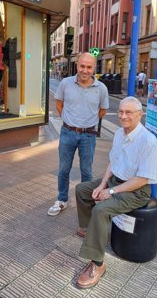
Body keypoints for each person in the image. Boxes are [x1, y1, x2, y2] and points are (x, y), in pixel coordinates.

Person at [75, 96, 157, 289]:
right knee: (82, 190)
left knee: (101, 210)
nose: (123, 116)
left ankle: (97, 264)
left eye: (129, 112)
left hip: (136, 190)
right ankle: (90, 230)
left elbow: (142, 179)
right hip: (116, 181)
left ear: (140, 114)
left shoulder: (149, 142)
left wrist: (111, 191)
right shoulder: (119, 134)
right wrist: (102, 185)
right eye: (121, 111)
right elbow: (113, 162)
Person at [48, 52, 109, 216]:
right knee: (63, 169)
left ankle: (85, 204)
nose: (85, 70)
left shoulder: (101, 88)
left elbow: (103, 110)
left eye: (89, 67)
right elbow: (59, 104)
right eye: (82, 66)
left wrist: (87, 122)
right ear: (77, 66)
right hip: (68, 132)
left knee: (86, 171)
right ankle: (62, 200)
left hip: (88, 135)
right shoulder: (66, 83)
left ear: (94, 68)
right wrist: (69, 120)